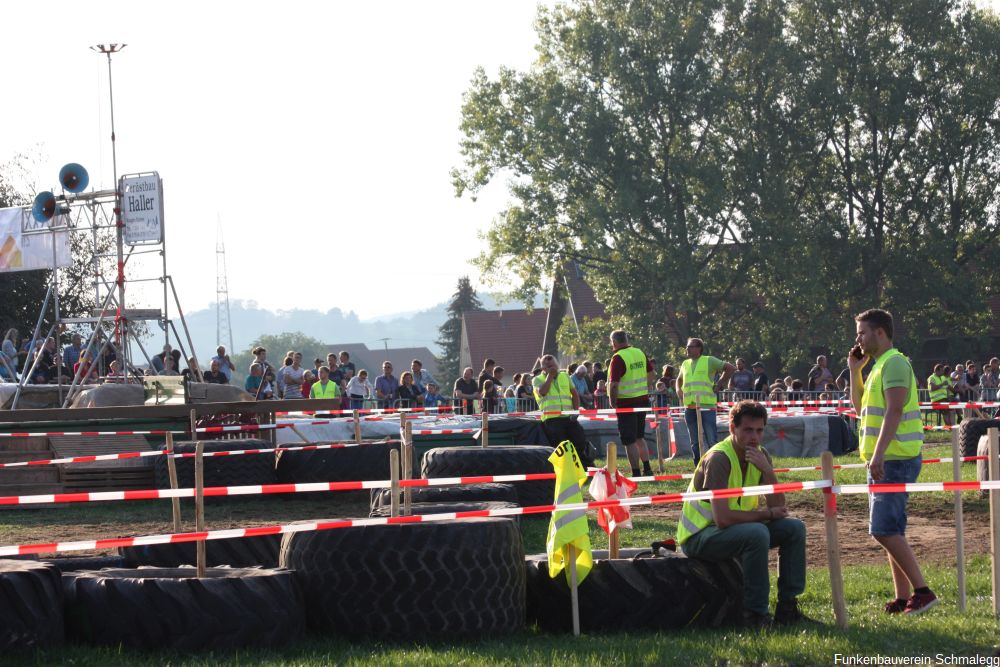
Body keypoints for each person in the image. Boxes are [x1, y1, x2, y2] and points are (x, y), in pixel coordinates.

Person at [676, 400, 812, 628]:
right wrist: (766, 513)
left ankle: (787, 609)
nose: (754, 437)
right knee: (757, 533)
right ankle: (754, 616)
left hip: (735, 530)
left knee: (794, 528)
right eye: (748, 430)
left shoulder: (761, 455)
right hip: (700, 536)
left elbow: (780, 507)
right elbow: (723, 519)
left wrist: (768, 472)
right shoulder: (719, 458)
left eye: (759, 431)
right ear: (732, 428)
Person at [849, 308, 937, 614]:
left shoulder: (895, 363)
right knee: (891, 530)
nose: (857, 338)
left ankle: (923, 592)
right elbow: (860, 408)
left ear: (879, 333)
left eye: (861, 332)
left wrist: (879, 454)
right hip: (886, 459)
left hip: (894, 458)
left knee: (883, 529)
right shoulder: (877, 366)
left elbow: (895, 410)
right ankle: (903, 597)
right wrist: (854, 371)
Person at [676, 337, 735, 462]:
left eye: (690, 346)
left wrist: (720, 383)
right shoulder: (685, 364)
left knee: (711, 439)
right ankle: (698, 466)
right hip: (690, 407)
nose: (687, 349)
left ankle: (715, 464)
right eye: (687, 346)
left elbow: (730, 368)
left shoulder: (709, 360)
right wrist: (678, 390)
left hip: (707, 406)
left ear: (699, 349)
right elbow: (679, 379)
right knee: (694, 441)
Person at [532, 354, 594, 468]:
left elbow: (574, 394)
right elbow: (543, 392)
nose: (553, 368)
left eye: (554, 365)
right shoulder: (537, 379)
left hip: (568, 417)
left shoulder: (565, 376)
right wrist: (550, 376)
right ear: (543, 368)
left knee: (579, 440)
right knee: (561, 445)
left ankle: (582, 467)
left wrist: (575, 412)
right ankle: (567, 470)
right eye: (549, 366)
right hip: (551, 419)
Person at [608, 330, 656, 477]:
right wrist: (644, 388)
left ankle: (636, 473)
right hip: (642, 400)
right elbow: (652, 374)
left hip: (626, 403)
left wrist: (612, 401)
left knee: (629, 440)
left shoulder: (617, 358)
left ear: (614, 343)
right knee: (639, 437)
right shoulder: (639, 352)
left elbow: (614, 384)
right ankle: (647, 468)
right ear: (627, 340)